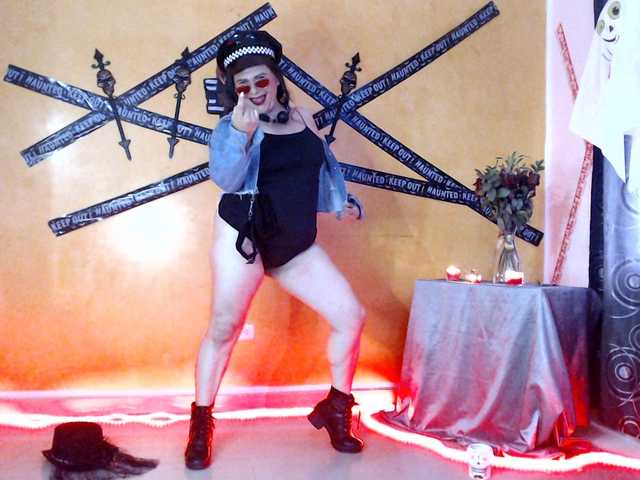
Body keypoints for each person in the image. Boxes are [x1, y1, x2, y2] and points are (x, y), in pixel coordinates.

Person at [184, 31, 366, 470]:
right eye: (242, 85)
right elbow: (227, 179)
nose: (254, 91)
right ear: (234, 90)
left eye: (261, 81)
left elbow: (317, 170)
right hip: (243, 236)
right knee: (224, 327)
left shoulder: (304, 118)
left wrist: (342, 203)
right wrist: (242, 134)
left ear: (277, 79)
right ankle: (201, 422)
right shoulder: (232, 127)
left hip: (293, 241)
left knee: (351, 316)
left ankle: (337, 409)